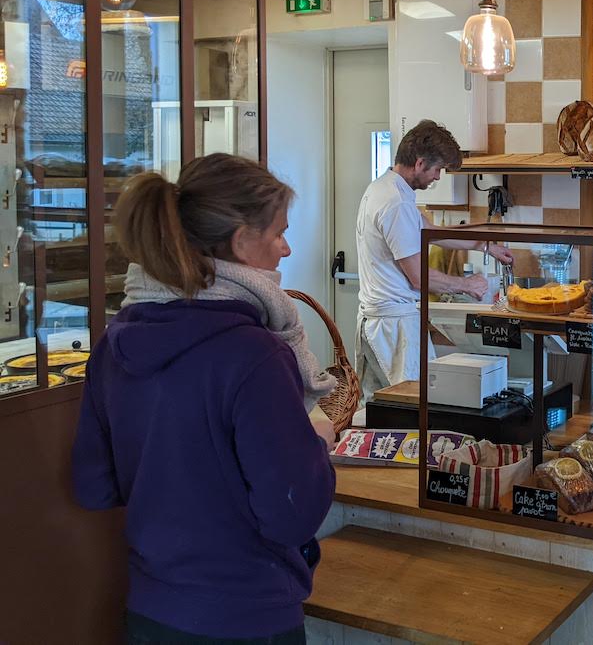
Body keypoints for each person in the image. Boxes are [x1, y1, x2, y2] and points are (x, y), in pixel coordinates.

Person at [71, 154, 336, 644]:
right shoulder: (255, 355)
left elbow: (95, 485)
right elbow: (293, 514)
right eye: (278, 232)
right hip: (246, 614)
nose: (286, 247)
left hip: (151, 612)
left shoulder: (116, 340)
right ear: (240, 241)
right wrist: (317, 441)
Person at [355, 119, 512, 396]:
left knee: (377, 410)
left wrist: (485, 246)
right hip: (394, 327)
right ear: (419, 163)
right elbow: (418, 277)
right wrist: (467, 285)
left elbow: (430, 231)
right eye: (437, 168)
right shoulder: (396, 203)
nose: (438, 177)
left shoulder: (383, 188)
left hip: (379, 322)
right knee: (411, 409)